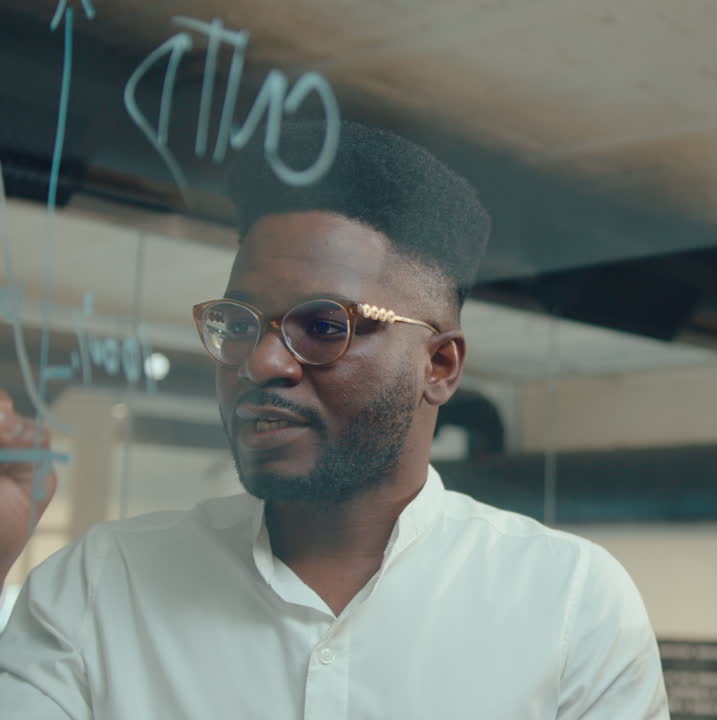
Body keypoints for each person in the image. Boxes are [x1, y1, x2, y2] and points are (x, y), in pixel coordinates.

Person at [0, 121, 670, 719]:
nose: (262, 362)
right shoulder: (102, 584)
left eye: (324, 326)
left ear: (439, 365)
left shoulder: (568, 604)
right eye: (239, 323)